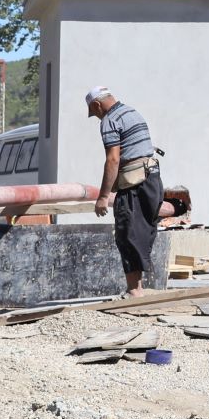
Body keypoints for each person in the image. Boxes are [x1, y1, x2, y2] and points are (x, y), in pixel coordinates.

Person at [85, 86, 162, 298]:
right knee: (142, 231)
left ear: (97, 105)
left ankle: (134, 290)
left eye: (94, 112)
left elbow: (113, 159)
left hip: (134, 184)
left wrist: (103, 197)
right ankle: (138, 288)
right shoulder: (132, 112)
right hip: (152, 179)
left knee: (127, 233)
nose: (96, 116)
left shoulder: (109, 120)